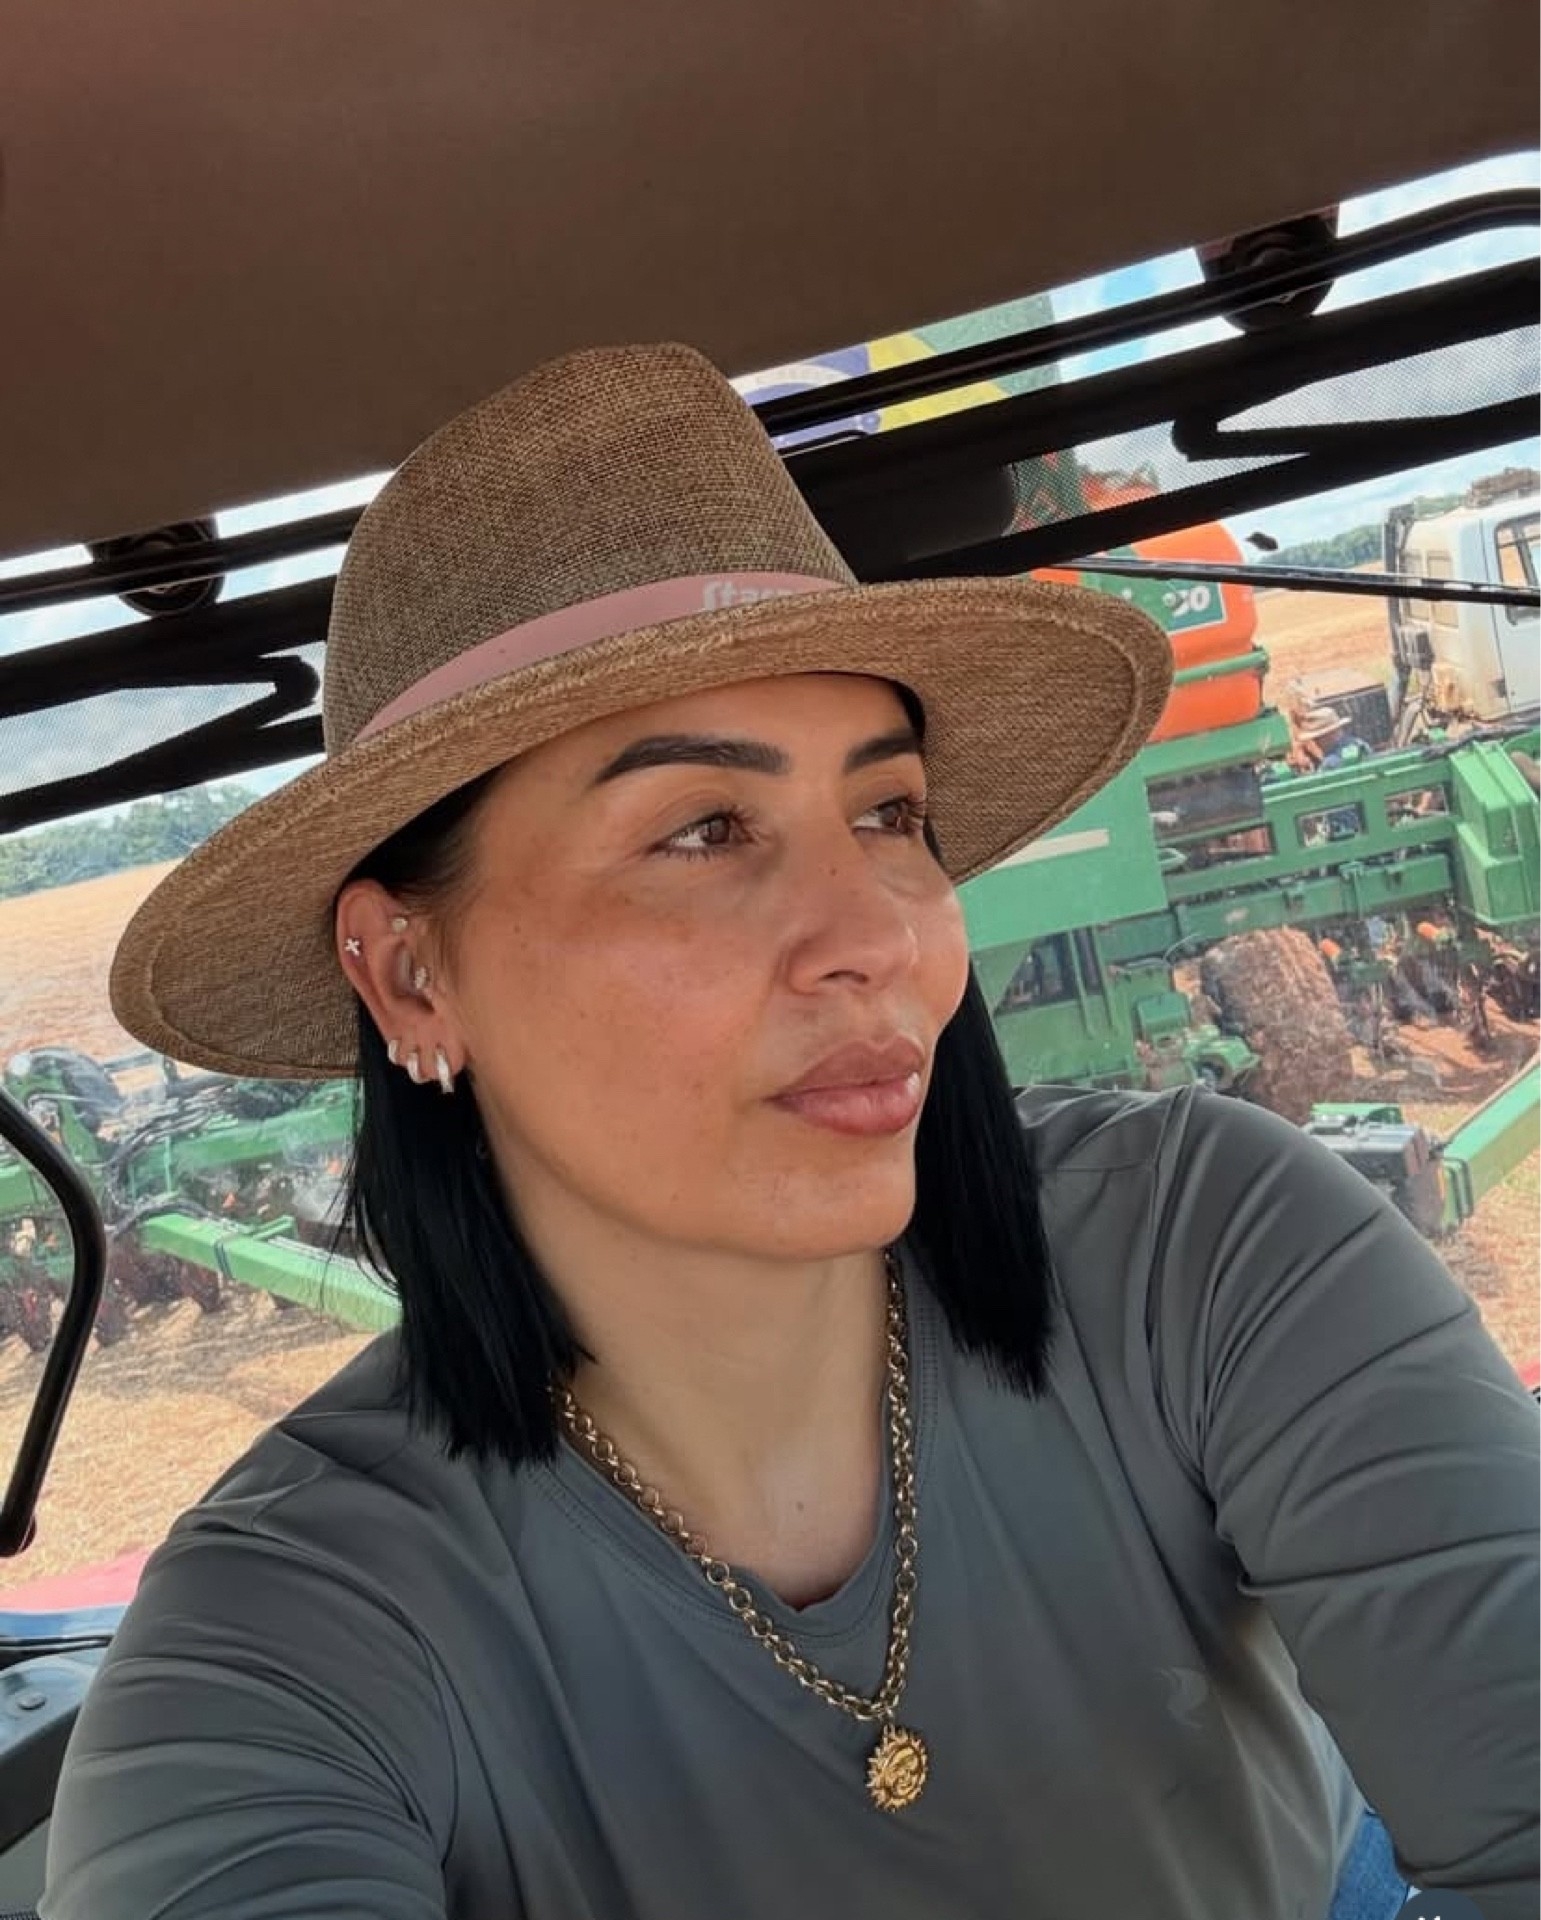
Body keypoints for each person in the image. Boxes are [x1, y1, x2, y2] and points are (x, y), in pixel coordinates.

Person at [44, 344, 1538, 1919]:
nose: (878, 933)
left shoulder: (1199, 1245)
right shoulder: (287, 1639)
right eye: (703, 830)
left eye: (888, 814)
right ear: (411, 972)